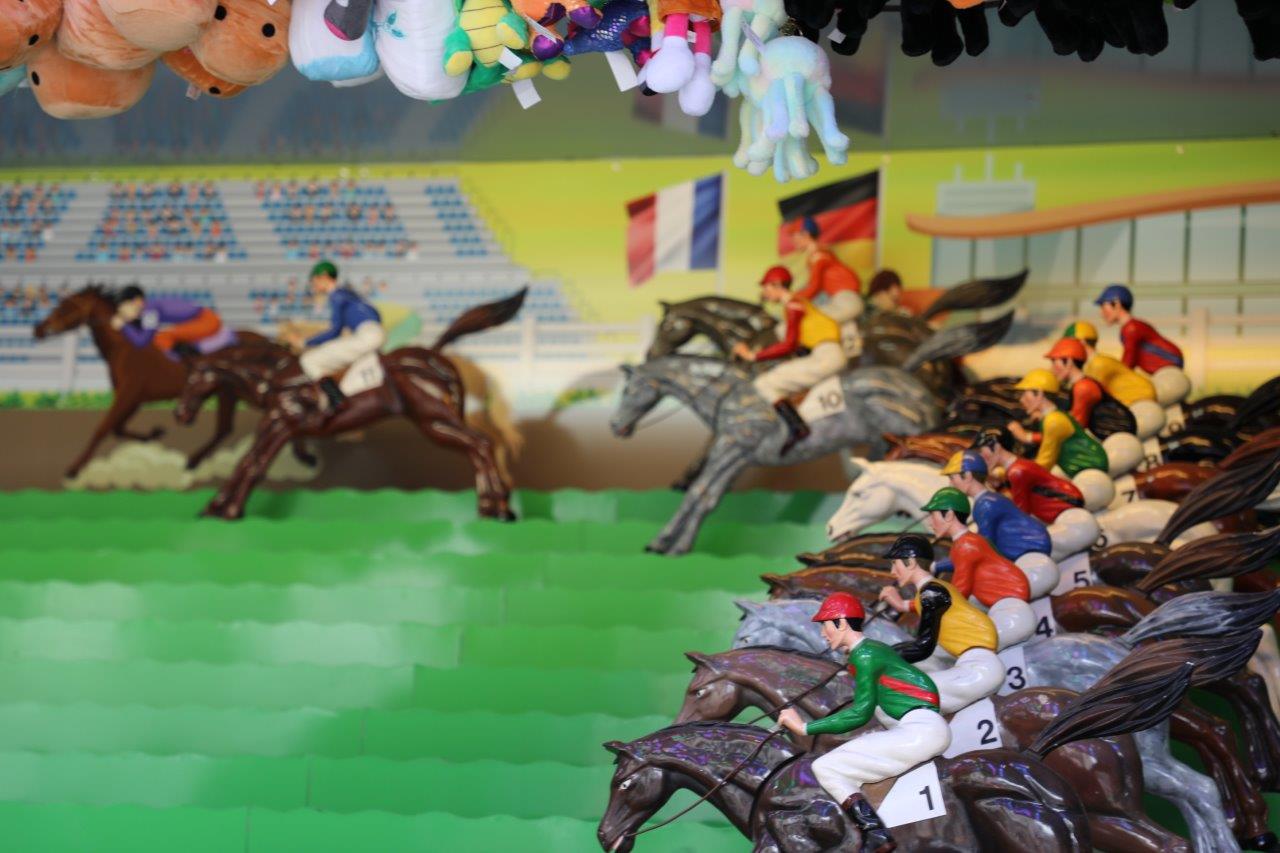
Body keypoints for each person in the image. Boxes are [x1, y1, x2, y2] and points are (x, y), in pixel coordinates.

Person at [775, 589, 949, 853]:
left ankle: (876, 835)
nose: (823, 634)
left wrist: (804, 727)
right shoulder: (871, 650)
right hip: (922, 726)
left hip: (920, 730)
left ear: (841, 623)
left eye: (825, 626)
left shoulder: (864, 655)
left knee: (826, 767)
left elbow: (860, 713)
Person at [733, 265, 847, 455]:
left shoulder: (793, 306)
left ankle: (797, 428)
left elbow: (789, 344)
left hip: (825, 355)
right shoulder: (798, 303)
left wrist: (753, 356)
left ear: (777, 285)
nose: (764, 293)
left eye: (766, 287)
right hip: (826, 353)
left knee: (764, 383)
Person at [919, 488, 1035, 648]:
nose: (930, 523)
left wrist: (932, 612)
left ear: (949, 515)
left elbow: (960, 591)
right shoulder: (966, 541)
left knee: (962, 641)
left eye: (933, 516)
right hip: (999, 599)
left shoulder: (965, 545)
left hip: (1008, 603)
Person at [283, 260, 384, 412]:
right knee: (348, 386)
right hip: (374, 334)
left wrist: (304, 342)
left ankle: (335, 401)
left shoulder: (337, 295)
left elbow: (334, 331)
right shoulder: (347, 293)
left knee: (309, 360)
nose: (314, 285)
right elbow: (375, 315)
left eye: (315, 281)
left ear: (324, 276)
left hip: (366, 336)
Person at [1065, 320, 1165, 438]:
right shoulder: (1095, 362)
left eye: (1068, 345)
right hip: (1136, 405)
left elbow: (1090, 400)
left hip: (1139, 405)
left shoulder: (1097, 365)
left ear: (1081, 342)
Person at [1095, 284, 1190, 406]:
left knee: (1139, 401)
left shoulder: (1131, 328)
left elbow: (1128, 363)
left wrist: (1111, 380)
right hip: (1164, 376)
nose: (1101, 312)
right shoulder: (1130, 327)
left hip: (1168, 376)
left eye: (1103, 306)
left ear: (1116, 304)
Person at [969, 427, 1083, 525]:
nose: (981, 457)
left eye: (981, 451)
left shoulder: (1016, 472)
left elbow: (1022, 511)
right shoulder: (1015, 467)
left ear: (996, 446)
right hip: (1065, 504)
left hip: (1065, 505)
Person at [1008, 369, 1108, 478]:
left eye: (1025, 394)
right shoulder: (1053, 416)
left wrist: (1018, 470)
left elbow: (1045, 461)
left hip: (1089, 467)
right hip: (1083, 465)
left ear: (1039, 394)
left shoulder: (1053, 421)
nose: (1021, 400)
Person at [791, 215, 865, 357]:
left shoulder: (818, 255)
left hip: (845, 299)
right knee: (843, 327)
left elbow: (814, 287)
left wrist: (791, 297)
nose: (793, 241)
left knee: (811, 320)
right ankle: (851, 353)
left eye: (795, 236)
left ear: (805, 234)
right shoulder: (819, 254)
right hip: (843, 300)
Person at [110, 284, 224, 357]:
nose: (124, 314)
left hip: (206, 320)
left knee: (162, 337)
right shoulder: (150, 308)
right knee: (162, 336)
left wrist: (124, 326)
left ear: (137, 301)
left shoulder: (150, 310)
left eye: (125, 308)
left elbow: (142, 341)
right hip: (201, 319)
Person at [1044, 337, 1105, 429]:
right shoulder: (1079, 385)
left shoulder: (1083, 387)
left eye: (1054, 362)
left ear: (1068, 361)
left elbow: (1076, 427)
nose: (1051, 369)